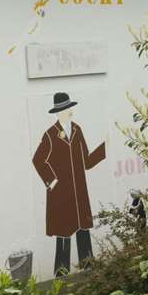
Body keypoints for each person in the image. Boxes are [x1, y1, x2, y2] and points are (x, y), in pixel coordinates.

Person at [31, 92, 106, 275]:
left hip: (79, 192)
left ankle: (89, 269)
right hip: (61, 193)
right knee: (64, 234)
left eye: (69, 109)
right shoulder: (50, 135)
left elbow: (86, 161)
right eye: (63, 110)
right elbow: (38, 160)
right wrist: (52, 181)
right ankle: (61, 274)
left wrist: (105, 149)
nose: (68, 112)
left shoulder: (77, 130)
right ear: (57, 113)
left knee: (82, 231)